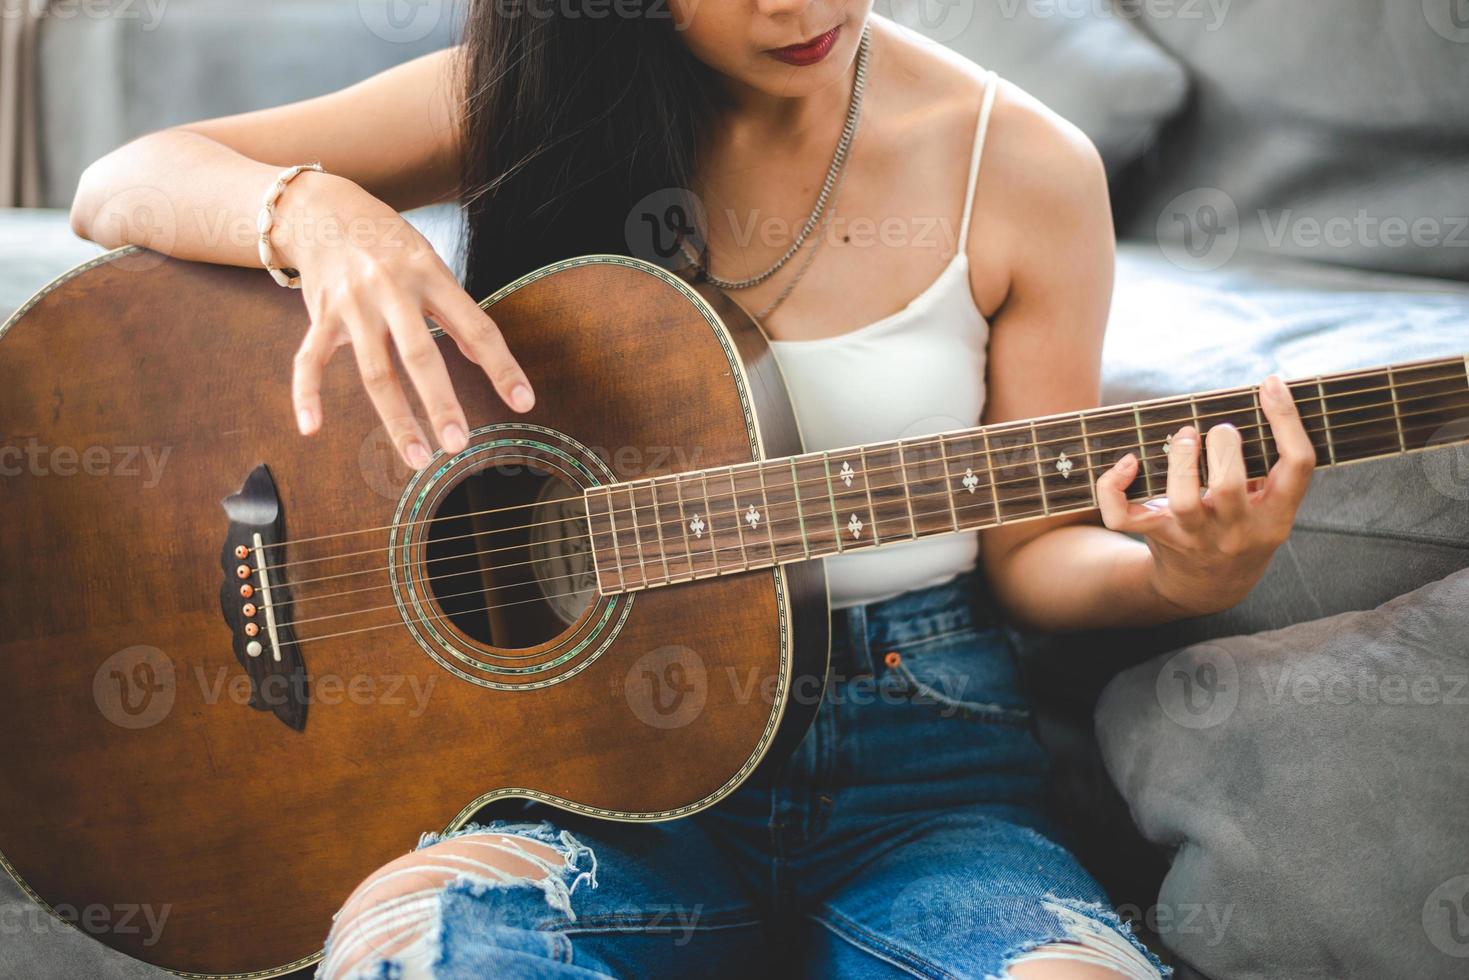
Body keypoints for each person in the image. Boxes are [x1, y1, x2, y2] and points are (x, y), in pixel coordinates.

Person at [70, 3, 1314, 977]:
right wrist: (321, 214)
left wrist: (1170, 569)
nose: (800, 5)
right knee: (425, 948)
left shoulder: (1025, 166)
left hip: (911, 771)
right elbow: (121, 181)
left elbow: (1029, 551)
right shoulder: (537, 98)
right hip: (572, 755)